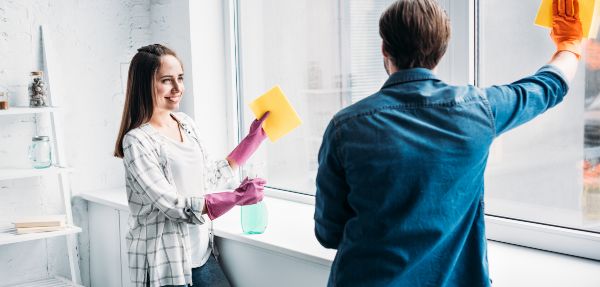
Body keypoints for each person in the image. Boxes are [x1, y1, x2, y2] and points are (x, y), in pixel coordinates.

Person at [314, 0, 582, 286]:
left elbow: (328, 233)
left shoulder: (345, 127)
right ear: (441, 52)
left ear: (384, 48)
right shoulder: (479, 110)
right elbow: (547, 87)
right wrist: (570, 43)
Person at [114, 44, 269, 287]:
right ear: (145, 85)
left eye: (180, 78)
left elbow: (206, 178)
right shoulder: (136, 141)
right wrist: (236, 198)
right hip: (164, 264)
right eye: (167, 80)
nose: (177, 88)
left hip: (202, 255)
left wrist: (252, 141)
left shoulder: (185, 123)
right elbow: (173, 205)